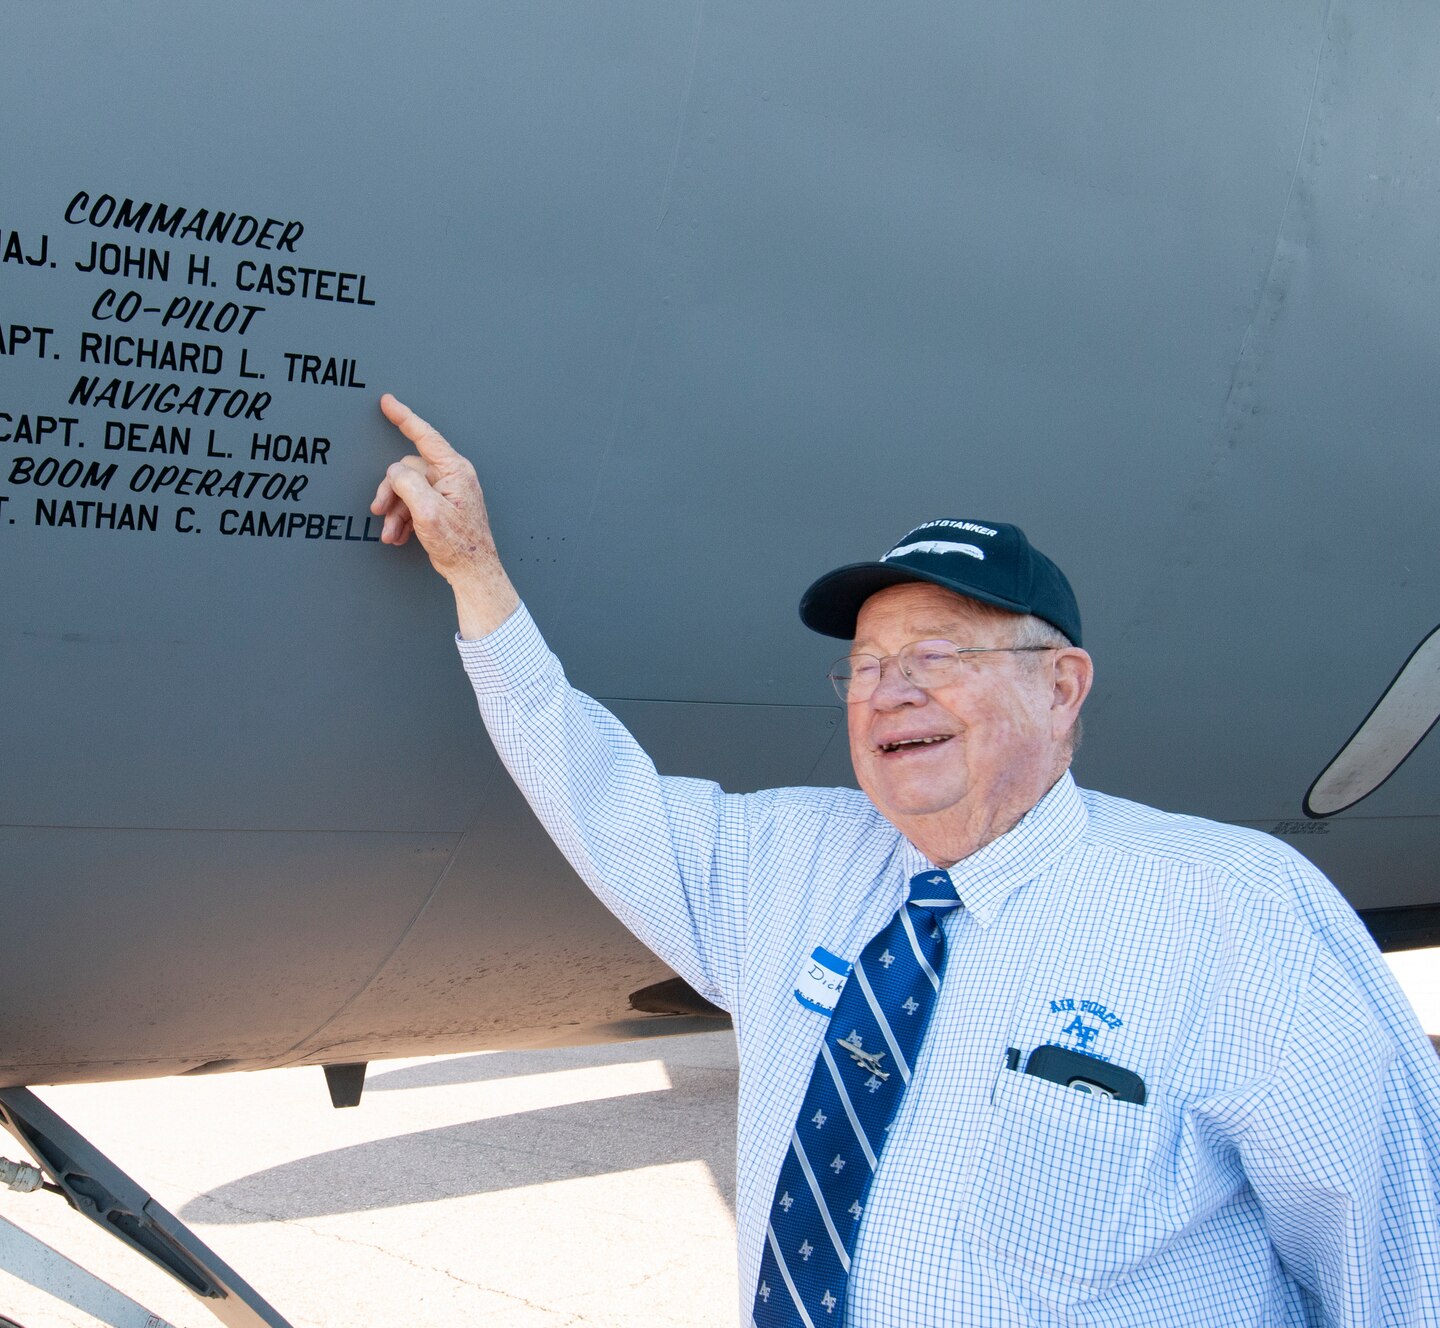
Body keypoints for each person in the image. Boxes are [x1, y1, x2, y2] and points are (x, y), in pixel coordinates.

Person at [369, 393, 1440, 1326]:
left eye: (938, 655)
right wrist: (473, 572)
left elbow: (1400, 1266)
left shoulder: (1234, 916)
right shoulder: (787, 864)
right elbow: (587, 781)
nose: (888, 689)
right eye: (866, 665)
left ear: (1060, 686)